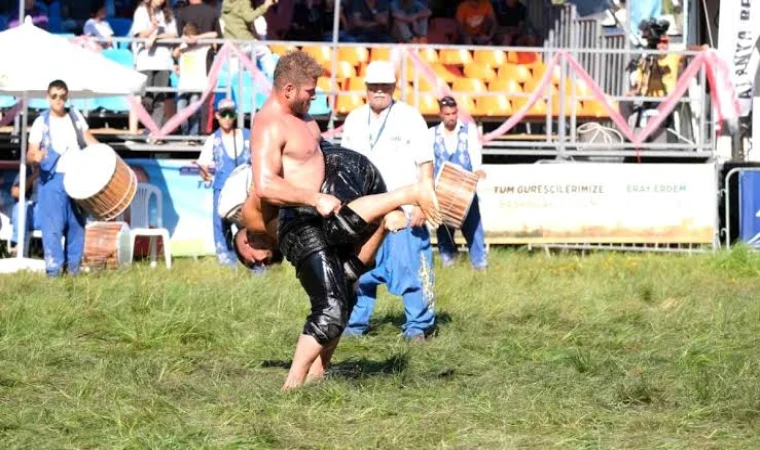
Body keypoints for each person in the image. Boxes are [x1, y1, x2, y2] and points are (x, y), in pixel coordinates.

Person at [249, 51, 441, 390]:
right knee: (331, 305)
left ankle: (317, 378)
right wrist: (314, 197)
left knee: (349, 288)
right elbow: (265, 185)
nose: (314, 96)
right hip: (299, 221)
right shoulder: (270, 123)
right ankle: (291, 388)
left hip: (325, 215)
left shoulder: (304, 118)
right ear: (289, 88)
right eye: (310, 90)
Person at [340, 60, 437, 342]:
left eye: (385, 86)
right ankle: (355, 323)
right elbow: (346, 165)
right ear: (366, 88)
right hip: (366, 210)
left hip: (404, 208)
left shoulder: (410, 117)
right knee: (360, 268)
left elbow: (425, 163)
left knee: (411, 267)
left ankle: (418, 326)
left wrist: (422, 202)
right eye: (374, 86)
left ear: (394, 86)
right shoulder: (355, 119)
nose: (379, 90)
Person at [26, 79, 100, 277]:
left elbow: (88, 139)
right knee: (53, 229)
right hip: (51, 180)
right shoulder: (40, 122)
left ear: (67, 96)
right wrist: (36, 156)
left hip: (77, 178)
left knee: (76, 226)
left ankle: (73, 272)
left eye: (63, 95)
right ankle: (54, 273)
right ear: (47, 97)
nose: (59, 100)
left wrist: (105, 154)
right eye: (54, 96)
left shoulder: (75, 117)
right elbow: (30, 153)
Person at [430, 96, 487, 270]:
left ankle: (479, 263)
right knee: (444, 229)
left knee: (474, 226)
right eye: (447, 114)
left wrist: (478, 169)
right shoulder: (431, 134)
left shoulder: (468, 130)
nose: (451, 117)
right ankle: (449, 261)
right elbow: (430, 161)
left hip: (465, 189)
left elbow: (475, 154)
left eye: (454, 113)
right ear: (441, 114)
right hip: (442, 190)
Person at [196, 99, 251, 266]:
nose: (227, 118)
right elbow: (203, 165)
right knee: (221, 228)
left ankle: (255, 262)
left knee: (251, 225)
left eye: (231, 114)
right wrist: (205, 174)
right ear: (217, 116)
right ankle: (228, 264)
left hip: (246, 191)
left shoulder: (247, 135)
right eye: (223, 114)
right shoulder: (213, 140)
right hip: (222, 191)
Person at [9, 167, 39, 256]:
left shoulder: (55, 170)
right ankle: (18, 247)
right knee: (20, 206)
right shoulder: (26, 170)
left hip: (51, 212)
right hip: (30, 213)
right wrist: (35, 175)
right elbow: (15, 192)